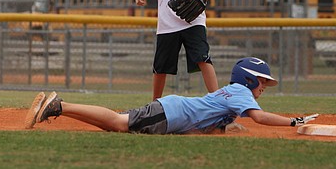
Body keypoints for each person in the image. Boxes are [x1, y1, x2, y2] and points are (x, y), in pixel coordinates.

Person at [26, 57, 318, 135]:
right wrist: (294, 122)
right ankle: (59, 105)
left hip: (174, 113)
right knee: (119, 122)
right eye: (263, 82)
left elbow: (207, 123)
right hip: (172, 112)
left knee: (117, 125)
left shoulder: (232, 93)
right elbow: (260, 118)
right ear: (249, 79)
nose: (263, 88)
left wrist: (225, 127)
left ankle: (58, 107)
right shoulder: (242, 92)